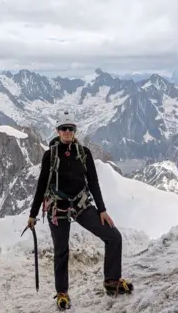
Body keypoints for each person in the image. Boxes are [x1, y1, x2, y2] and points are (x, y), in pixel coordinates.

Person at [27, 110, 133, 310]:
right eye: (64, 129)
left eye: (71, 129)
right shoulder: (50, 155)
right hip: (57, 208)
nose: (67, 132)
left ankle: (111, 281)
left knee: (113, 236)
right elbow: (42, 185)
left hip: (80, 204)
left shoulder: (84, 153)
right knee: (61, 251)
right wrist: (32, 214)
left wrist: (101, 209)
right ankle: (62, 293)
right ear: (58, 131)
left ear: (75, 131)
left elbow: (93, 181)